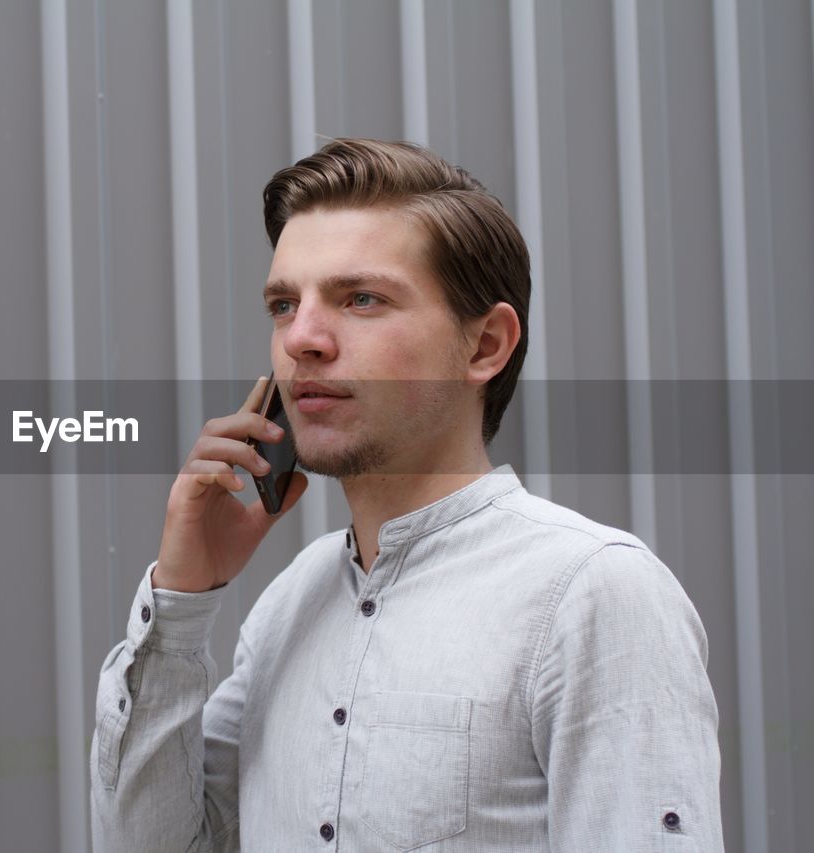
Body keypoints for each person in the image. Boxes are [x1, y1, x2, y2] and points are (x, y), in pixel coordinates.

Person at [89, 139, 722, 851]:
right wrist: (178, 603)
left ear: (485, 345)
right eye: (283, 304)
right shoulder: (287, 607)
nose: (302, 338)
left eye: (360, 298)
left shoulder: (591, 593)